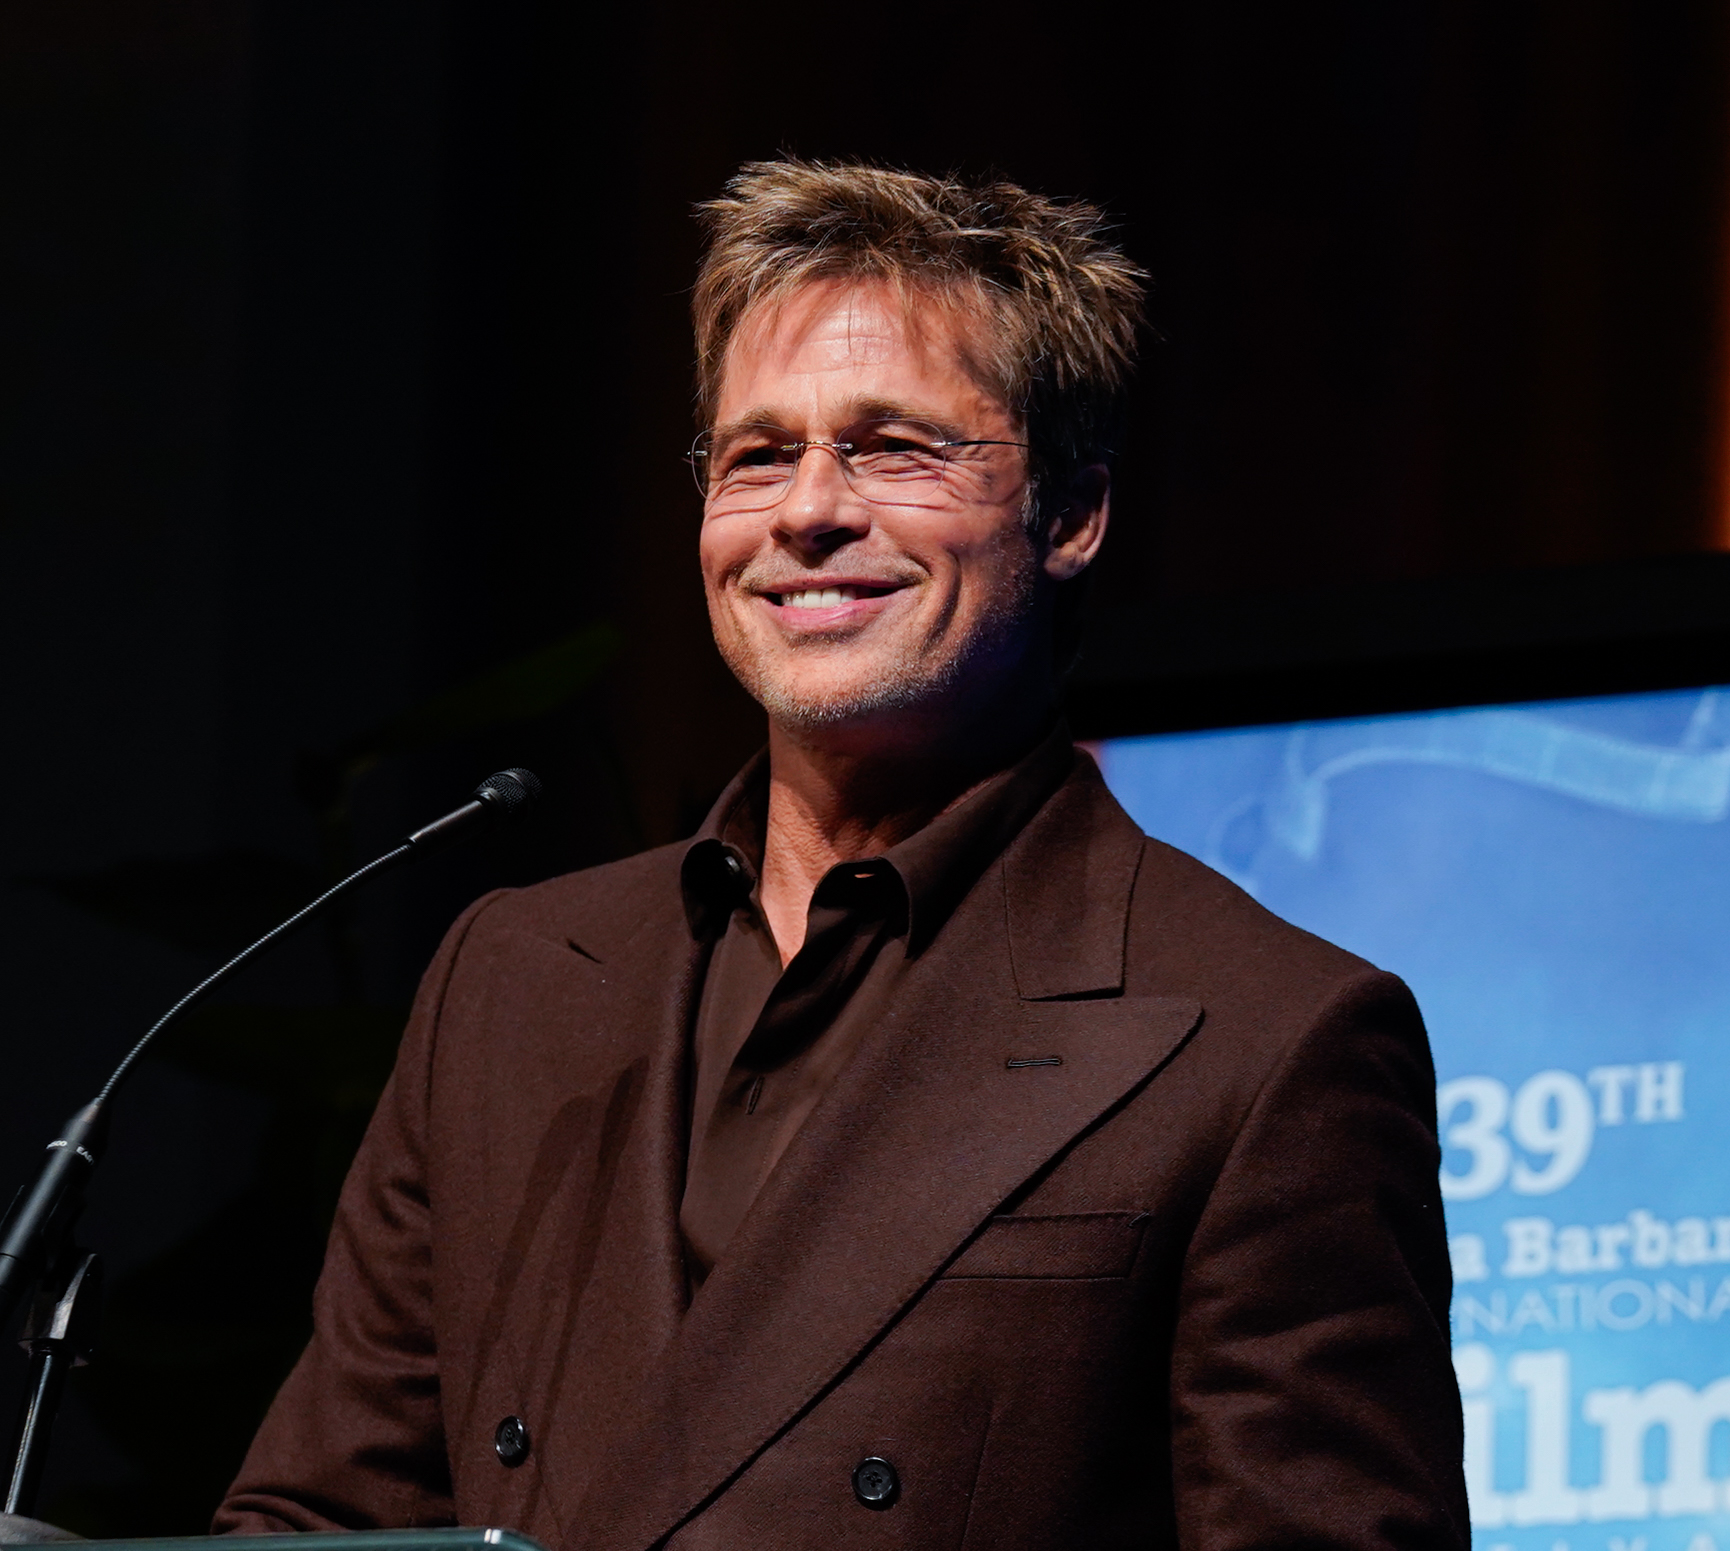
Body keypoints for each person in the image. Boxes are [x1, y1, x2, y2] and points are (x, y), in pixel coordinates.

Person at [216, 160, 1466, 1551]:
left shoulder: (1261, 1037)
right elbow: (327, 1519)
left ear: (1069, 515)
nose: (807, 509)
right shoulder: (513, 977)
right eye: (757, 454)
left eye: (893, 447)